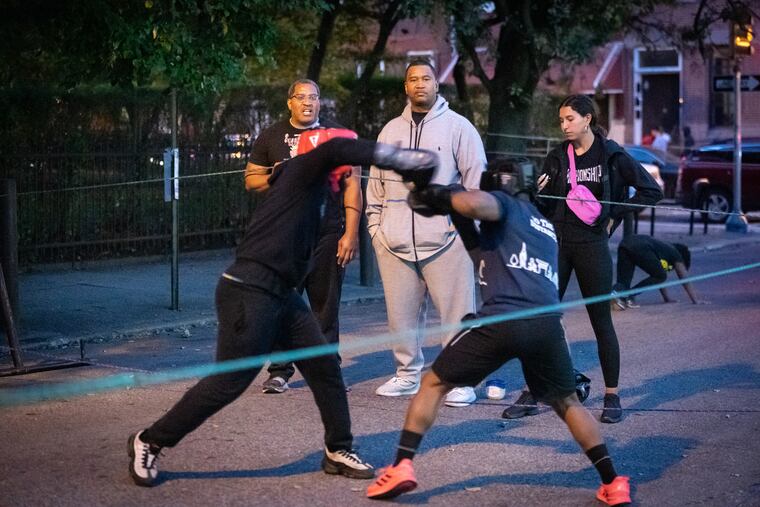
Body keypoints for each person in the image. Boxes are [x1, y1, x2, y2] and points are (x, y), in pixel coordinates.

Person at [127, 133, 439, 487]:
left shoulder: (319, 192)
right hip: (249, 290)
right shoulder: (301, 171)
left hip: (282, 295)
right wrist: (404, 158)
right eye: (344, 162)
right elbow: (337, 149)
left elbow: (340, 174)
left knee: (324, 366)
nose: (350, 166)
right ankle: (150, 440)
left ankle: (337, 450)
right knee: (228, 382)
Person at [365, 163, 631, 505]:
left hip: (503, 319)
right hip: (547, 326)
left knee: (432, 383)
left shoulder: (505, 205)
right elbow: (480, 251)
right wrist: (448, 207)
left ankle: (401, 466)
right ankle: (613, 482)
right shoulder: (544, 228)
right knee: (567, 402)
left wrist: (444, 194)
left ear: (496, 186)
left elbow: (478, 205)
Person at [503, 95, 663, 424]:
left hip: (592, 246)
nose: (564, 126)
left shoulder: (612, 154)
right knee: (540, 321)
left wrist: (613, 215)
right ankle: (533, 393)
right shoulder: (557, 157)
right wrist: (534, 194)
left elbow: (652, 191)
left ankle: (612, 396)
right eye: (561, 120)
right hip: (556, 246)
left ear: (587, 119)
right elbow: (544, 205)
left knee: (600, 322)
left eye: (570, 119)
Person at [365, 58, 486, 407]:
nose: (420, 84)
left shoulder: (458, 127)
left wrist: (463, 228)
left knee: (457, 313)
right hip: (394, 239)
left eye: (426, 78)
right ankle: (406, 375)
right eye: (413, 79)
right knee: (400, 316)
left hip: (448, 240)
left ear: (437, 84)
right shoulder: (389, 131)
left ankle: (461, 380)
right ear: (405, 87)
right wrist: (376, 228)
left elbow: (475, 180)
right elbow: (376, 185)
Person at [245, 79, 363, 394]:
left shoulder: (337, 136)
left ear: (319, 102)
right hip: (284, 236)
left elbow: (353, 185)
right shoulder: (271, 135)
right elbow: (251, 180)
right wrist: (279, 174)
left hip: (326, 233)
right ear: (290, 103)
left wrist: (350, 233)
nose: (308, 103)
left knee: (325, 305)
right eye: (301, 97)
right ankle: (281, 371)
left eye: (313, 97)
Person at [612, 234, 703, 308]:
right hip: (640, 246)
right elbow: (684, 279)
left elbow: (659, 279)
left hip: (625, 243)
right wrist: (695, 300)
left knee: (623, 282)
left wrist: (667, 298)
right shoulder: (676, 254)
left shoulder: (664, 248)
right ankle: (629, 295)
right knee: (661, 275)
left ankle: (614, 294)